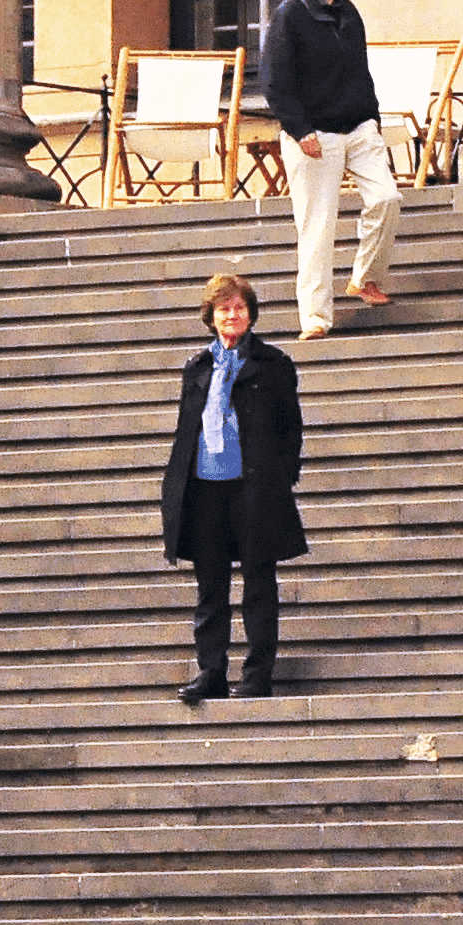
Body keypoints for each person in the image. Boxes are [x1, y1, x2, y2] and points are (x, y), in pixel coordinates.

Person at [159, 270, 305, 704]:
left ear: (251, 314)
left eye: (239, 307)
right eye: (224, 308)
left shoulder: (273, 364)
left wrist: (280, 476)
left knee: (259, 583)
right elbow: (188, 429)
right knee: (211, 587)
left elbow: (289, 428)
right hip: (205, 489)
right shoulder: (197, 366)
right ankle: (212, 673)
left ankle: (257, 675)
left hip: (253, 489)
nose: (232, 315)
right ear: (211, 315)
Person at [258, 0, 401, 343]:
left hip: (357, 127)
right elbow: (273, 81)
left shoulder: (350, 14)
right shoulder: (289, 16)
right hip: (312, 132)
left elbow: (361, 73)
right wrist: (300, 130)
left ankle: (365, 278)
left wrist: (371, 119)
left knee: (387, 198)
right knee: (317, 226)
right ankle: (316, 318)